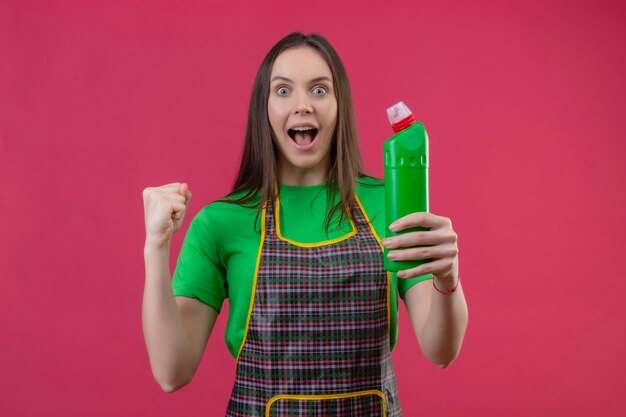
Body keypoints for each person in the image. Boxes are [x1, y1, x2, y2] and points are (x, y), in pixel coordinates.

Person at [142, 32, 468, 416]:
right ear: (263, 108)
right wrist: (155, 247)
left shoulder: (389, 205)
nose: (302, 106)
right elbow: (171, 372)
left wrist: (448, 278)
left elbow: (440, 352)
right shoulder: (220, 222)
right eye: (283, 91)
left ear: (338, 105)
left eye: (318, 90)